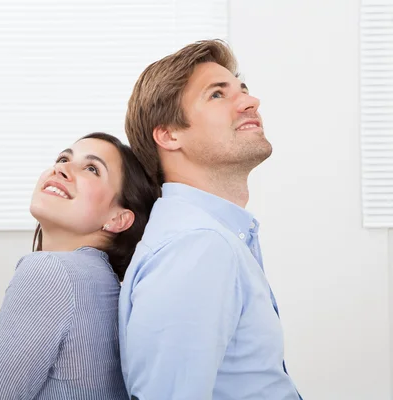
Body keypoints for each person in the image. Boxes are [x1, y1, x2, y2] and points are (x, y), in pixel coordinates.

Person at [119, 40, 303, 399]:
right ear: (169, 134)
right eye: (217, 95)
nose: (251, 102)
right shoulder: (196, 247)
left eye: (243, 89)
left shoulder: (215, 238)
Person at [0, 132, 159, 400]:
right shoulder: (104, 283)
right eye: (64, 158)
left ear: (118, 219)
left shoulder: (49, 272)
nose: (61, 168)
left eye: (92, 168)